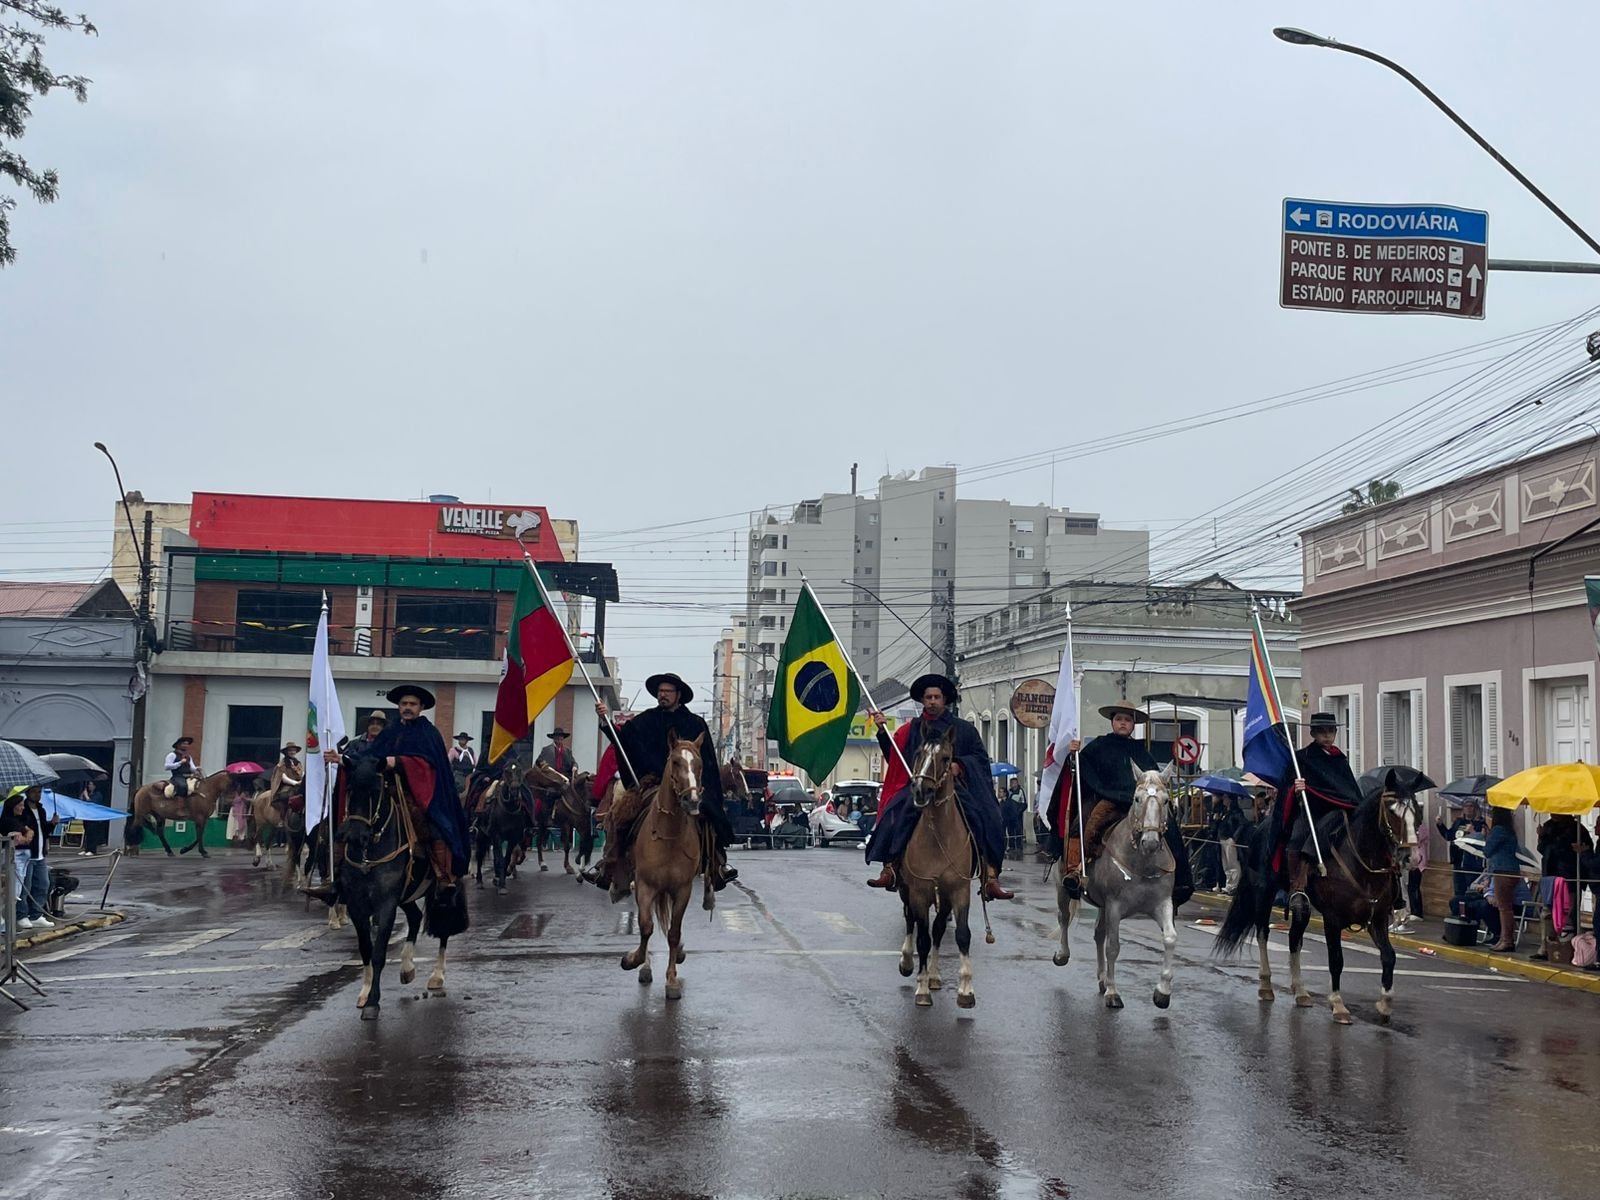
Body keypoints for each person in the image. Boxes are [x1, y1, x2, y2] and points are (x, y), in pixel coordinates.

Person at [307, 684, 470, 900]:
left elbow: (430, 765)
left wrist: (400, 761)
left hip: (415, 792)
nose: (407, 708)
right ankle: (336, 878)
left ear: (421, 707)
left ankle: (442, 874)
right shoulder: (390, 731)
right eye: (404, 704)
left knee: (431, 824)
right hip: (382, 788)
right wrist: (342, 759)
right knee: (351, 820)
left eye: (412, 704)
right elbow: (369, 757)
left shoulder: (429, 733)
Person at [864, 674, 1013, 901]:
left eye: (936, 697)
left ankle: (990, 875)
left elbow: (980, 758)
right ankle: (891, 866)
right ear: (922, 701)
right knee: (895, 813)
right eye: (928, 697)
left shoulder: (963, 729)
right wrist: (884, 733)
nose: (932, 701)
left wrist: (960, 765)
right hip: (920, 788)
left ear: (945, 700)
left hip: (955, 789)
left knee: (988, 817)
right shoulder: (910, 729)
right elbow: (897, 758)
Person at [590, 672, 738, 892]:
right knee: (620, 814)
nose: (663, 695)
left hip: (688, 784)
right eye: (660, 691)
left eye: (667, 691)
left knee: (709, 815)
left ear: (679, 695)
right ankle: (609, 865)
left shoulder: (695, 724)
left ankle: (717, 865)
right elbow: (624, 741)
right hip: (652, 783)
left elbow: (705, 759)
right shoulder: (646, 720)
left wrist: (701, 786)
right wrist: (605, 721)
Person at [1067, 701, 1193, 906]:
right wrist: (1073, 756)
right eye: (1119, 719)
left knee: (1168, 827)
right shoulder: (1099, 746)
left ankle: (1180, 879)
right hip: (1108, 797)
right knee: (1087, 823)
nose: (1123, 723)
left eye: (1127, 720)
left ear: (1133, 724)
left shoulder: (1141, 751)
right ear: (1112, 722)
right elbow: (1083, 768)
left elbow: (1155, 779)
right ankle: (1075, 871)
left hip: (1140, 802)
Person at [1284, 712, 1363, 902]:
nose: (1327, 736)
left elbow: (1349, 789)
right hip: (1312, 811)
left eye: (1331, 731)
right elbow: (1286, 785)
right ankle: (1297, 885)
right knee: (1296, 838)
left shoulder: (1339, 759)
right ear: (1313, 733)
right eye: (1322, 732)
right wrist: (1296, 788)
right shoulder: (1302, 757)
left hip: (1340, 811)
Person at [1483, 806, 1526, 952]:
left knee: (1504, 907)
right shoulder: (1509, 830)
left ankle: (1506, 940)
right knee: (1506, 906)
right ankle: (1504, 938)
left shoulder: (1498, 830)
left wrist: (1487, 834)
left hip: (1502, 870)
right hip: (1513, 870)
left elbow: (1487, 851)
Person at [2, 789, 41, 930]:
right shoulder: (8, 821)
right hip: (14, 859)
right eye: (20, 805)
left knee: (18, 889)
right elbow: (22, 839)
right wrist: (28, 835)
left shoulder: (19, 820)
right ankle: (6, 922)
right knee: (12, 891)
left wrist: (28, 834)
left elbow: (29, 831)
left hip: (23, 860)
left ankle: (8, 922)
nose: (23, 808)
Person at [18, 786, 54, 929]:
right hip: (27, 854)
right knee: (25, 887)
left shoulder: (41, 810)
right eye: (34, 792)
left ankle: (36, 914)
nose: (37, 795)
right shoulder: (23, 810)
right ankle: (21, 915)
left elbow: (43, 831)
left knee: (43, 884)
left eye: (39, 792)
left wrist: (52, 824)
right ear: (28, 793)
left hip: (39, 854)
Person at [1437, 799, 1488, 899]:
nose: (1469, 808)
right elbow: (1449, 836)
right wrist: (1440, 825)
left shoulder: (1481, 822)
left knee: (1472, 891)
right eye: (1466, 806)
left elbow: (1483, 841)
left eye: (1471, 806)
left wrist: (1473, 832)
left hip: (1473, 863)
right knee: (1459, 890)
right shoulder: (1458, 822)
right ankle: (1459, 913)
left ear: (1475, 809)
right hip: (1458, 861)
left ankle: (1471, 913)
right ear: (1463, 808)